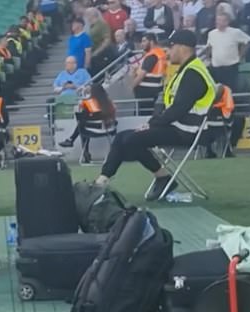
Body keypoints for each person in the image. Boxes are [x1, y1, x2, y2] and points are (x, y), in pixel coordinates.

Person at [95, 30, 217, 200]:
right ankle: (102, 180)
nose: (167, 51)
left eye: (171, 47)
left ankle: (162, 177)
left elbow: (178, 109)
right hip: (178, 127)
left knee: (131, 140)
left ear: (182, 48)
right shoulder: (187, 70)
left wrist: (152, 124)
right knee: (123, 137)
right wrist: (153, 122)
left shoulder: (193, 73)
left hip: (188, 131)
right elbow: (171, 106)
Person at [59, 83, 117, 163]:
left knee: (81, 126)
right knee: (83, 125)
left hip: (96, 130)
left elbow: (84, 116)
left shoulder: (90, 103)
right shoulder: (109, 102)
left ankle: (76, 144)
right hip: (110, 129)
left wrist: (82, 104)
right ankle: (72, 141)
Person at [132, 33, 166, 116]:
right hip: (155, 89)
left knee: (142, 115)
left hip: (146, 92)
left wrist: (132, 86)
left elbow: (142, 74)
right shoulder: (160, 53)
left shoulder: (152, 55)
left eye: (144, 41)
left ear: (151, 42)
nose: (142, 44)